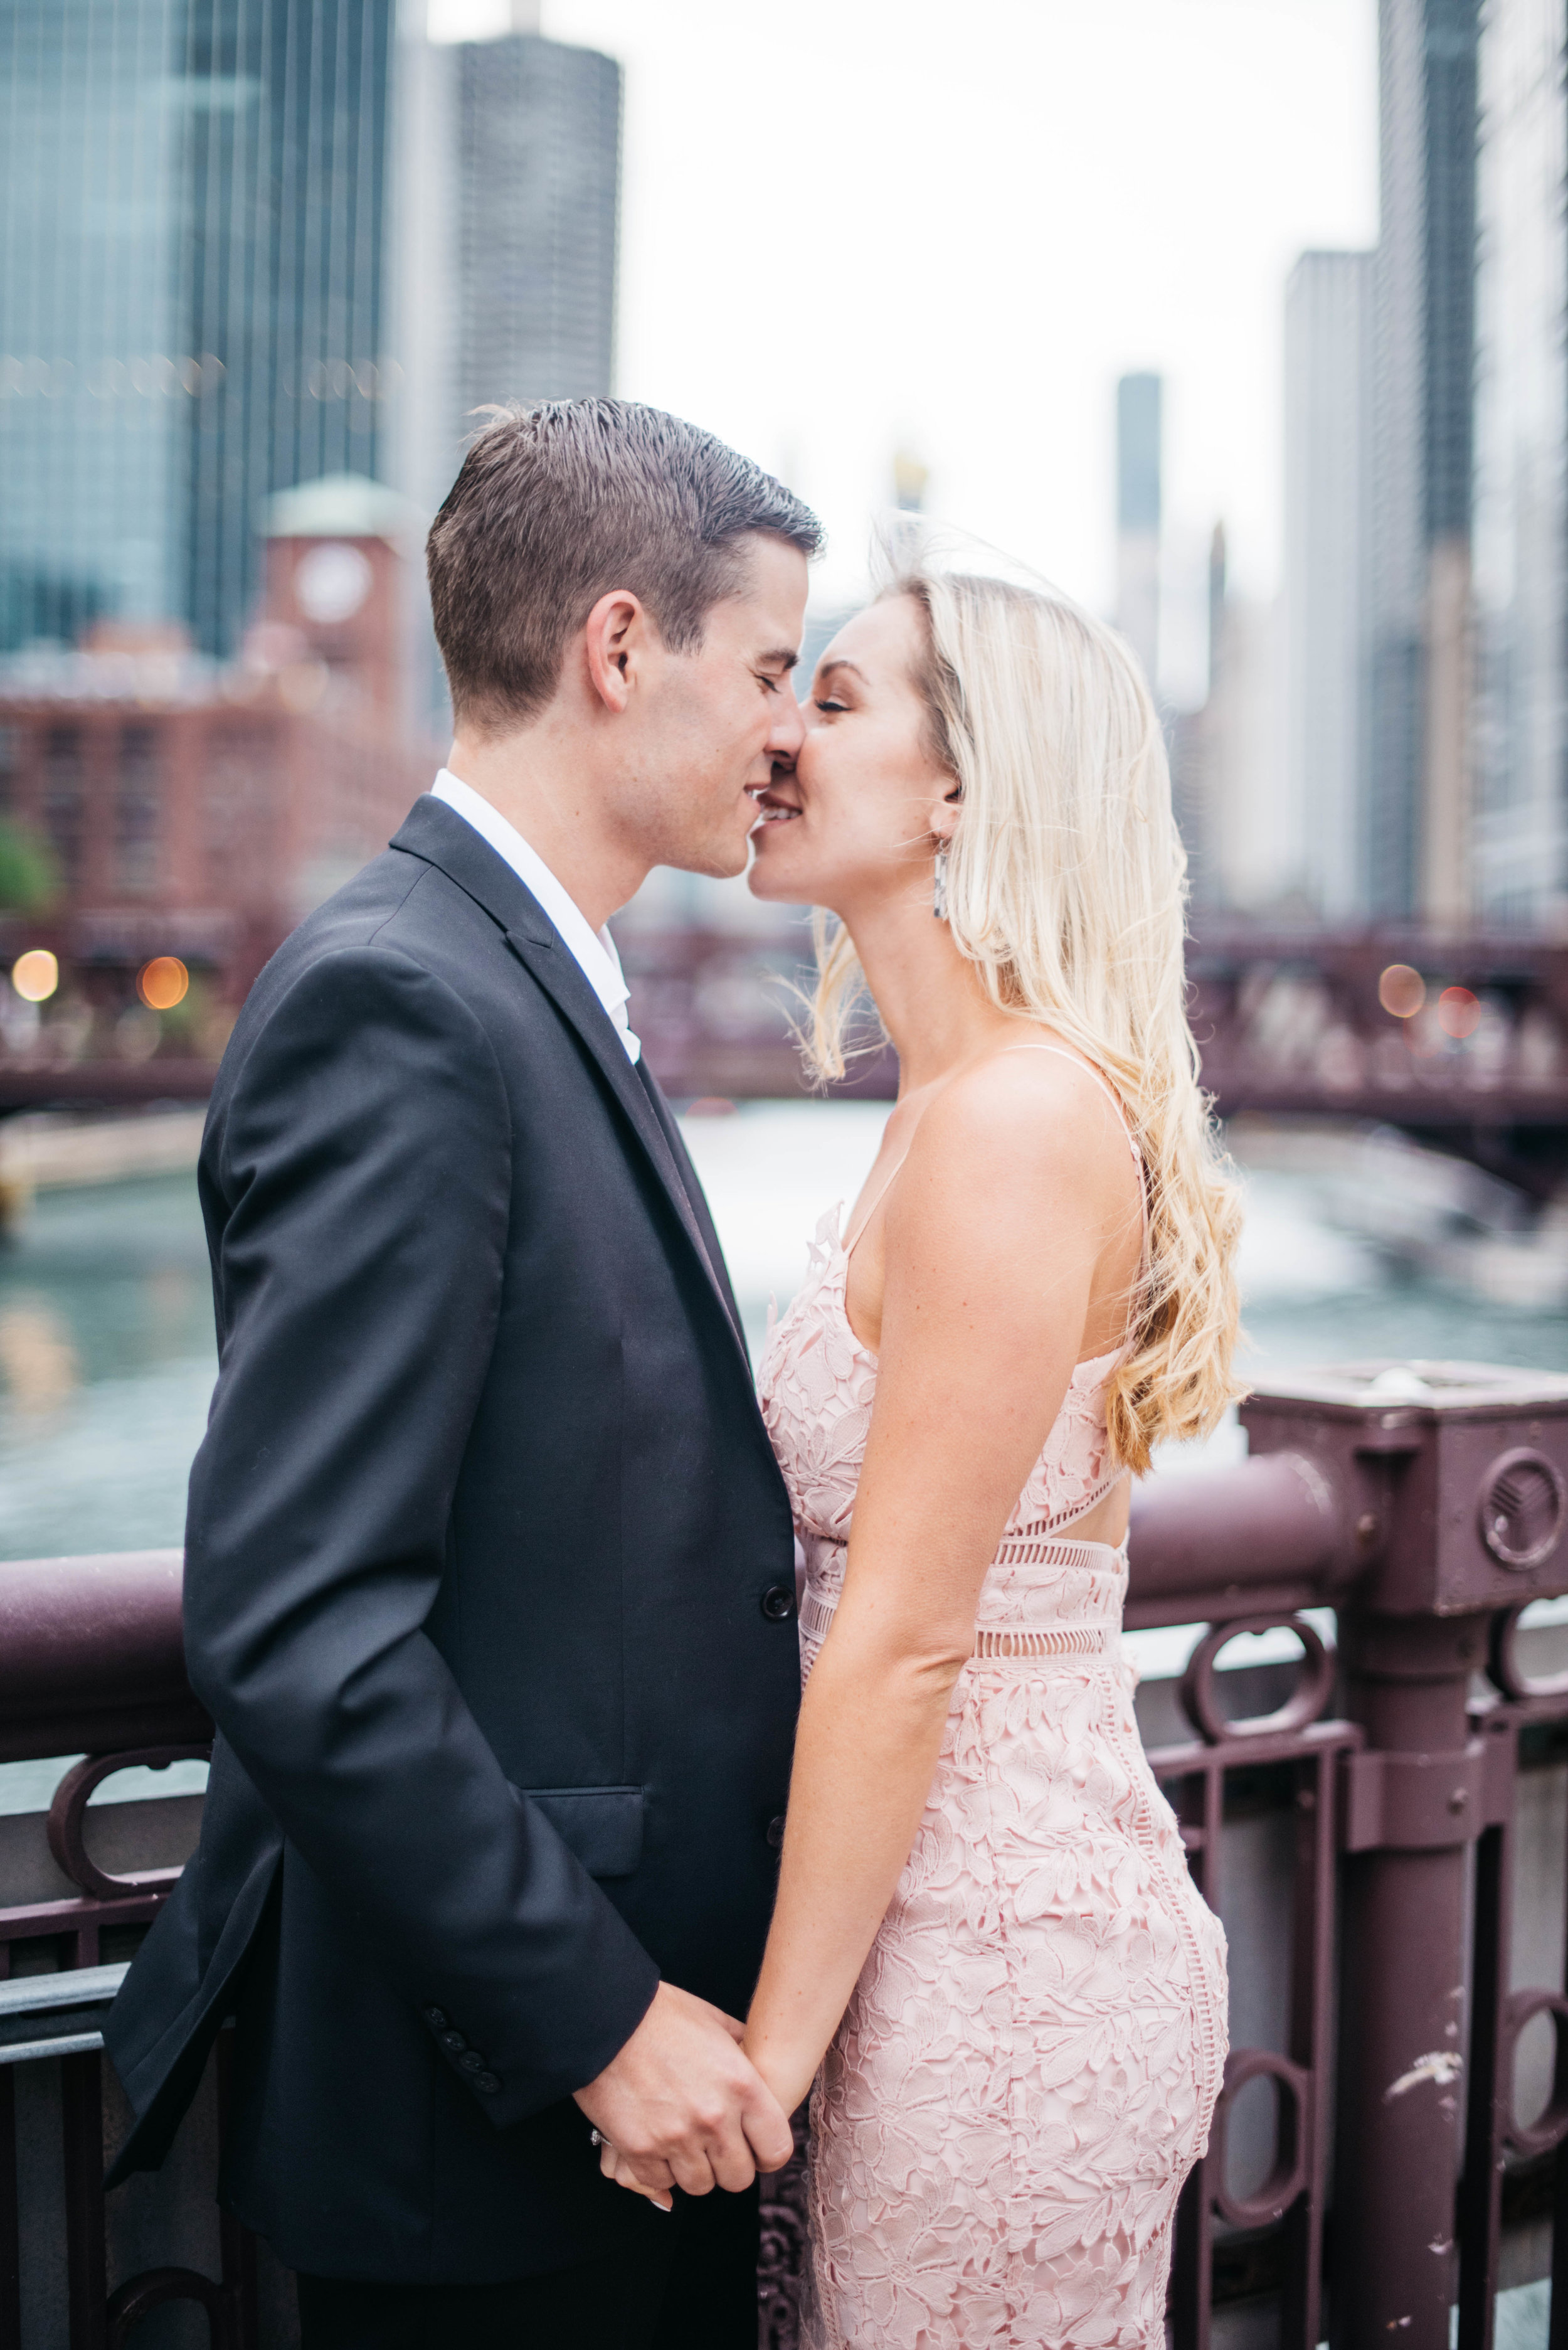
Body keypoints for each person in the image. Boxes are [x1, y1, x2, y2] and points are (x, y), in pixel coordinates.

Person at [104, 400, 822, 2350]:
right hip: (502, 2122)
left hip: (611, 2103)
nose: (791, 728)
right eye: (766, 667)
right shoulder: (405, 997)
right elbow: (298, 1616)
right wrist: (593, 2016)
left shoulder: (522, 976)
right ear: (615, 650)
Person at [605, 562, 1238, 2344]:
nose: (779, 734)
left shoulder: (1016, 1122)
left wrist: (762, 2068)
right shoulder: (943, 1109)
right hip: (896, 1943)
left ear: (964, 787)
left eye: (840, 697)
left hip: (991, 1982)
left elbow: (902, 1638)